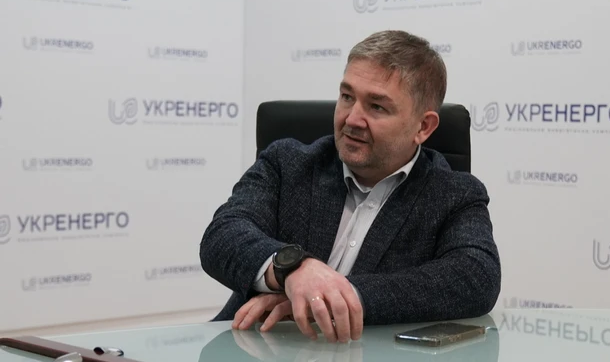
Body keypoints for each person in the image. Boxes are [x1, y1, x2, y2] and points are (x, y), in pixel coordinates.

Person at [199, 30, 501, 343]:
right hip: (253, 352)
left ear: (423, 127)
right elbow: (222, 235)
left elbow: (476, 277)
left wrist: (334, 297)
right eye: (347, 97)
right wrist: (294, 270)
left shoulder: (453, 194)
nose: (352, 119)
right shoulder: (287, 163)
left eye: (377, 107)